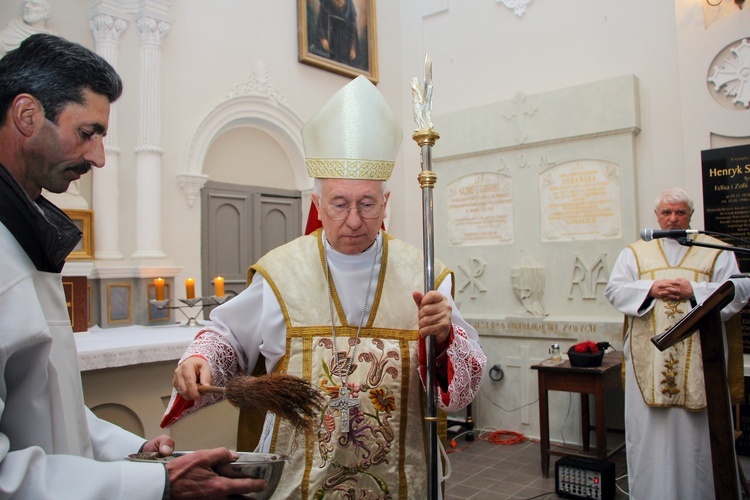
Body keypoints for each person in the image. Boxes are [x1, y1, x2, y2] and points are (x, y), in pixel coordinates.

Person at [164, 75, 487, 498]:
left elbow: (462, 386)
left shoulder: (425, 276)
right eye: (339, 203)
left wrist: (445, 336)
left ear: (385, 203)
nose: (354, 219)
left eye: (367, 204)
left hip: (400, 482)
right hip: (301, 481)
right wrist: (201, 357)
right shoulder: (282, 272)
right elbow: (226, 338)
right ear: (317, 203)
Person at [0, 34, 266, 499]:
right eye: (88, 133)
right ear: (26, 115)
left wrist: (137, 449)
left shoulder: (24, 226)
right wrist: (154, 483)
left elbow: (47, 406)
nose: (99, 158)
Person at [604, 187, 750, 500]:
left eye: (680, 212)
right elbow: (615, 291)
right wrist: (651, 287)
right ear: (656, 217)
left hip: (702, 364)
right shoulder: (635, 253)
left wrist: (694, 289)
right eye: (666, 213)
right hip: (649, 367)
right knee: (652, 441)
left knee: (698, 443)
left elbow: (740, 291)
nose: (673, 219)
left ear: (691, 215)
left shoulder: (716, 250)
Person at [315, 0, 358, 65]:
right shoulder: (326, 2)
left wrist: (353, 47)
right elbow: (321, 19)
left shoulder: (349, 3)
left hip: (344, 39)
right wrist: (322, 37)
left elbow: (353, 27)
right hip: (330, 35)